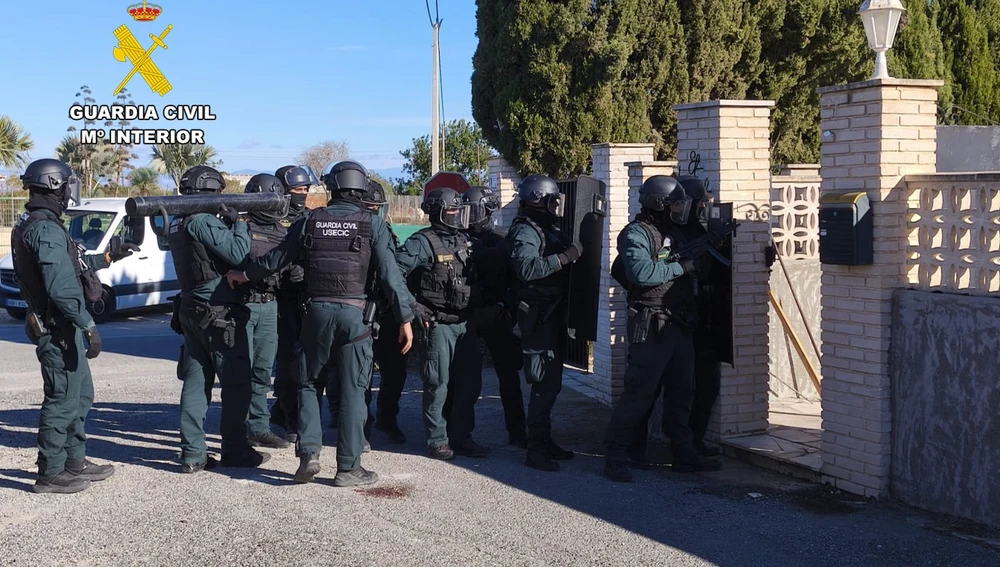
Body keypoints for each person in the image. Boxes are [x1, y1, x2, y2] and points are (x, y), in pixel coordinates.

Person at [227, 159, 414, 487]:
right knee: (354, 390)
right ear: (361, 188)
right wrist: (405, 318)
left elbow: (275, 259)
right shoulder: (373, 224)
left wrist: (243, 274)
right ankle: (348, 468)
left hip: (315, 313)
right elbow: (389, 275)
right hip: (356, 317)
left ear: (333, 187)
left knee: (310, 383)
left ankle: (310, 455)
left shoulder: (311, 220)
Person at [12, 158, 136, 494]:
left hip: (60, 325)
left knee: (80, 395)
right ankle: (50, 472)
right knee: (62, 399)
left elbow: (73, 265)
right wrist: (87, 325)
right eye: (67, 184)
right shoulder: (44, 229)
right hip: (58, 328)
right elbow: (62, 287)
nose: (70, 190)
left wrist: (109, 257)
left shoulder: (41, 224)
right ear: (54, 185)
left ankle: (73, 461)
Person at [603, 175, 723, 483]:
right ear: (659, 205)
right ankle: (616, 455)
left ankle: (684, 455)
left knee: (682, 394)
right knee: (639, 394)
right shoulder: (637, 234)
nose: (682, 210)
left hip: (680, 323)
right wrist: (682, 267)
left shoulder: (676, 233)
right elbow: (642, 273)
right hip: (652, 324)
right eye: (677, 204)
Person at [167, 165, 270, 473]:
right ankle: (236, 450)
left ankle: (193, 453)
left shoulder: (177, 221)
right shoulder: (201, 221)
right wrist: (238, 222)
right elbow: (239, 253)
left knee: (196, 382)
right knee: (237, 383)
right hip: (218, 311)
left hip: (191, 307)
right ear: (212, 192)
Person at [396, 187, 488, 460]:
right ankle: (437, 440)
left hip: (465, 323)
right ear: (438, 212)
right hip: (436, 325)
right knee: (438, 384)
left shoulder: (465, 240)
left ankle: (462, 436)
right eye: (452, 211)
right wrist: (414, 307)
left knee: (469, 384)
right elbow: (395, 272)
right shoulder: (421, 242)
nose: (457, 215)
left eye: (459, 210)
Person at [506, 174, 581, 471]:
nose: (556, 206)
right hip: (537, 317)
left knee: (552, 382)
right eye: (552, 200)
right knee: (542, 383)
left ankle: (544, 440)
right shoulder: (525, 231)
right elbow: (526, 268)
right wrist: (563, 259)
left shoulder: (546, 228)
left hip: (553, 314)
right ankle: (535, 448)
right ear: (539, 200)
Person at [463, 186, 527, 448]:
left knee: (509, 376)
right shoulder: (455, 238)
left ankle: (518, 430)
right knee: (463, 375)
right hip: (467, 313)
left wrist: (503, 306)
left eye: (472, 208)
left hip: (497, 314)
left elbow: (519, 282)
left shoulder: (504, 240)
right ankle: (457, 431)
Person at [235, 173, 295, 450]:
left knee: (261, 369)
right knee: (239, 370)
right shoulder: (239, 227)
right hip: (242, 304)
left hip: (270, 304)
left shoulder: (284, 232)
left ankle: (258, 427)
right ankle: (237, 427)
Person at [269, 165, 318, 442]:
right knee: (286, 361)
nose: (304, 194)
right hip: (276, 298)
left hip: (303, 297)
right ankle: (288, 416)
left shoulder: (311, 218)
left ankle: (284, 410)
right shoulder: (269, 218)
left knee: (303, 359)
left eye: (306, 189)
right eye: (298, 190)